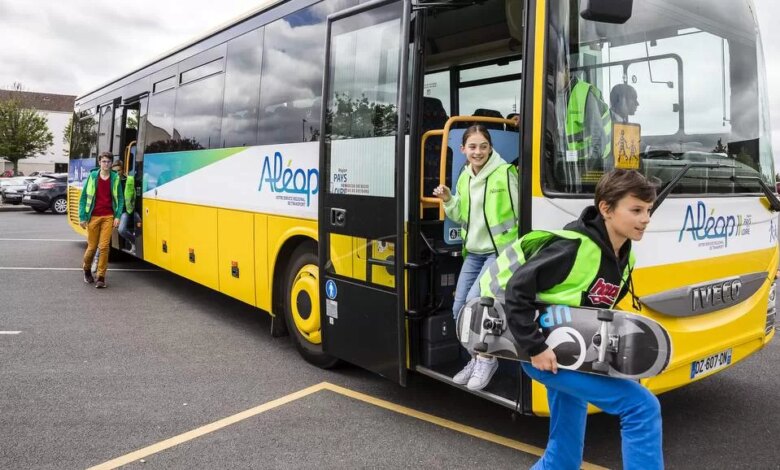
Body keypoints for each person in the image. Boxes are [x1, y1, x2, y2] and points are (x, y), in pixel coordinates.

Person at [480, 169, 660, 469]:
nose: (645, 219)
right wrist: (535, 348)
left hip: (575, 356)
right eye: (636, 210)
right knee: (641, 407)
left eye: (648, 210)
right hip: (544, 356)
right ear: (606, 209)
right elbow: (516, 292)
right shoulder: (571, 248)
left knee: (564, 455)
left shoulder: (625, 256)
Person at [432, 125, 519, 391]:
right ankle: (475, 358)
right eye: (472, 147)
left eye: (483, 146)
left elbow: (523, 214)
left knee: (475, 306)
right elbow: (460, 216)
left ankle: (487, 360)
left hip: (499, 252)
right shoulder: (464, 177)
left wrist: (516, 254)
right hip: (474, 252)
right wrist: (448, 200)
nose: (477, 151)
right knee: (459, 309)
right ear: (463, 150)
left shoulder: (506, 174)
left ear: (490, 147)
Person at [79, 152, 124, 288]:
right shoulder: (93, 177)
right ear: (99, 162)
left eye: (108, 162)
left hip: (108, 216)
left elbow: (120, 199)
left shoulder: (115, 178)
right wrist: (82, 217)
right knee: (92, 248)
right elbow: (83, 198)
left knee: (104, 247)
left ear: (111, 164)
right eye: (103, 161)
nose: (106, 164)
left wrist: (117, 216)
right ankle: (86, 269)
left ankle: (101, 277)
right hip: (93, 216)